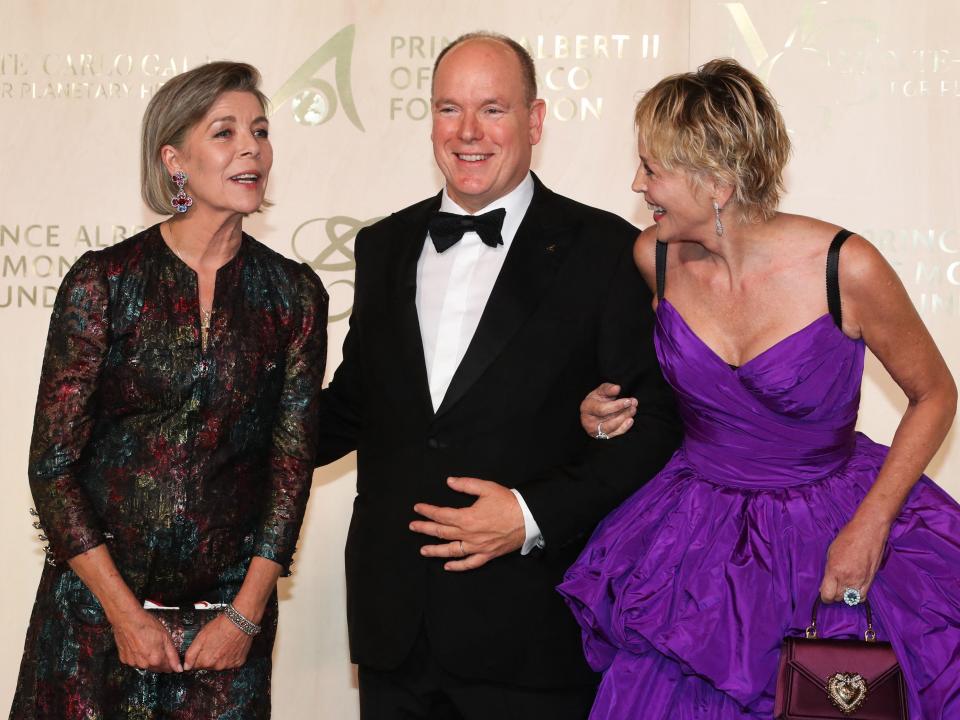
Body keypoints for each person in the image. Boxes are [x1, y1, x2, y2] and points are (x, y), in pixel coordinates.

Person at [560, 58, 960, 719]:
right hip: (696, 543)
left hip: (829, 527)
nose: (637, 185)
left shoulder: (843, 267)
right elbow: (658, 390)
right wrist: (598, 411)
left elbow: (936, 395)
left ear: (715, 182)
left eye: (653, 169)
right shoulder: (651, 258)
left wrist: (871, 525)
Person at [314, 32, 680, 719]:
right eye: (450, 109)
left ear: (535, 120)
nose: (469, 132)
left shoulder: (602, 250)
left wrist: (529, 515)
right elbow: (356, 408)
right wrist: (225, 434)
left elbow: (653, 426)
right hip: (394, 628)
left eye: (493, 109)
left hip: (531, 629)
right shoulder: (381, 245)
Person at [10, 62, 327, 719]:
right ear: (174, 160)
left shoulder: (293, 294)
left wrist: (244, 618)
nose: (252, 148)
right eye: (225, 132)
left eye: (260, 131)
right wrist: (126, 617)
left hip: (225, 639)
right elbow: (53, 467)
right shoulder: (104, 282)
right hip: (93, 628)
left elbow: (290, 468)